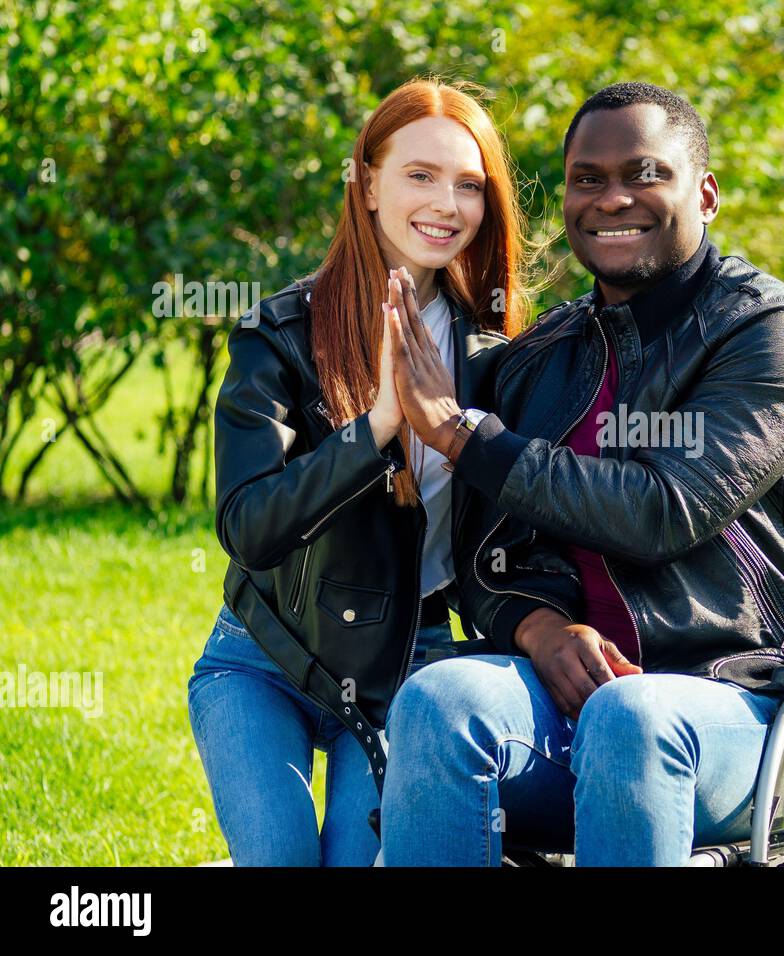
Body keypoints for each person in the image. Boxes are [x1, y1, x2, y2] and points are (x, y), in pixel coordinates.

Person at [378, 82, 784, 866]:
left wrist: (465, 435)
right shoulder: (544, 358)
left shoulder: (769, 335)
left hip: (751, 703)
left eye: (644, 173)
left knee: (631, 715)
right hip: (569, 709)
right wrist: (537, 626)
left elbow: (662, 510)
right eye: (587, 179)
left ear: (705, 193)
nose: (612, 198)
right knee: (438, 700)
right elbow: (483, 556)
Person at [187, 78, 529, 865]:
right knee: (279, 857)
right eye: (420, 175)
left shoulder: (500, 355)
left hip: (403, 666)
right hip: (260, 655)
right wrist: (378, 422)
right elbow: (249, 527)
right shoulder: (277, 333)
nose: (447, 203)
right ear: (367, 184)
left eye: (469, 185)